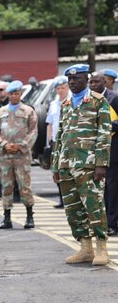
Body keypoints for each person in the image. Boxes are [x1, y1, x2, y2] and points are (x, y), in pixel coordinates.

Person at [52, 64, 111, 265]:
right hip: (66, 165)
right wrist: (55, 166)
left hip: (89, 165)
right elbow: (59, 136)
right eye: (69, 80)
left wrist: (101, 164)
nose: (72, 83)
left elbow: (104, 134)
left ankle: (101, 248)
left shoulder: (97, 101)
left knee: (94, 206)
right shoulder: (66, 104)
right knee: (73, 208)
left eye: (76, 79)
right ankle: (85, 248)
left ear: (86, 79)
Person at [0, 81, 38, 229]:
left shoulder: (28, 111)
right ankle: (7, 218)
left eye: (16, 93)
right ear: (8, 94)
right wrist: (5, 145)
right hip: (5, 155)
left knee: (24, 185)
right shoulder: (1, 112)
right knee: (6, 186)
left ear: (20, 94)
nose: (13, 96)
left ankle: (29, 216)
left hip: (21, 155)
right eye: (11, 93)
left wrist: (20, 146)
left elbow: (33, 131)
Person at [88, 72, 118, 236]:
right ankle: (102, 222)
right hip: (94, 152)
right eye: (90, 82)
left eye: (96, 82)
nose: (93, 85)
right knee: (99, 189)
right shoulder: (88, 100)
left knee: (112, 189)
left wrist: (108, 125)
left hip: (113, 151)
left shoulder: (113, 98)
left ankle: (113, 223)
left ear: (105, 82)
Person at [45, 77, 71, 209]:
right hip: (56, 142)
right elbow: (49, 124)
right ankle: (62, 199)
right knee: (57, 171)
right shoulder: (54, 104)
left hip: (69, 142)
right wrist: (49, 141)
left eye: (63, 87)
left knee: (70, 171)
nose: (60, 90)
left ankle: (71, 200)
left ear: (67, 88)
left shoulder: (73, 102)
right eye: (58, 88)